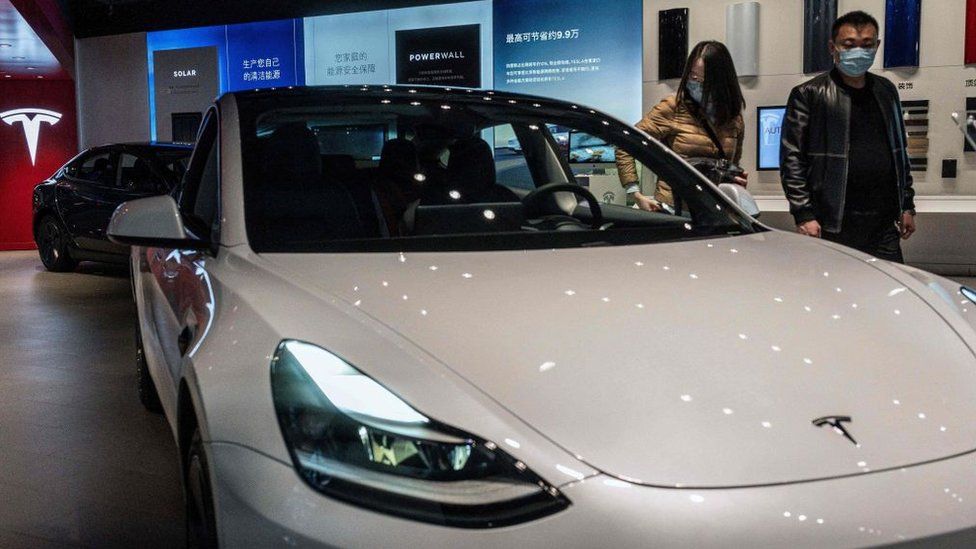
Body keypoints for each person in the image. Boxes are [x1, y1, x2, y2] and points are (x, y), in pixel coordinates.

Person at [780, 10, 916, 262]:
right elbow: (792, 158)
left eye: (867, 44)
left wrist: (906, 205)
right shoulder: (809, 93)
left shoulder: (886, 91)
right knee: (833, 291)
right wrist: (803, 213)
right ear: (833, 47)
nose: (859, 51)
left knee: (888, 287)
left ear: (877, 46)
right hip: (832, 221)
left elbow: (900, 151)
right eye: (849, 44)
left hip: (883, 222)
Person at [617, 41, 748, 212]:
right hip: (675, 210)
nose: (696, 84)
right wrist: (634, 193)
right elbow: (625, 143)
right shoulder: (673, 107)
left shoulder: (733, 117)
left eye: (704, 80)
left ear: (721, 81)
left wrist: (735, 180)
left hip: (716, 211)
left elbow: (733, 163)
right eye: (693, 77)